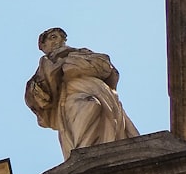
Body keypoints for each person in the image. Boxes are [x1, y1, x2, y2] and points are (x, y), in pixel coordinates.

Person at [25, 27, 139, 158]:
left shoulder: (80, 53)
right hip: (71, 95)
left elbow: (108, 68)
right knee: (90, 108)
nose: (58, 40)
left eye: (61, 37)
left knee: (110, 123)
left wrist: (71, 65)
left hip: (101, 91)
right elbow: (36, 99)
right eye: (53, 37)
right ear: (43, 46)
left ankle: (94, 158)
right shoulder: (44, 67)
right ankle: (85, 158)